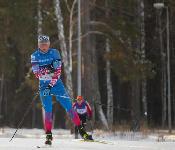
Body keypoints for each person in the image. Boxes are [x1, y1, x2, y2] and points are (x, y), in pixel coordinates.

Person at [31, 35, 93, 145]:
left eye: (45, 44)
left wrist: (50, 83)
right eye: (41, 44)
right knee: (48, 110)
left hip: (56, 84)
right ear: (38, 45)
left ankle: (82, 132)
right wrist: (50, 68)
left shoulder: (55, 53)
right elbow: (37, 73)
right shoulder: (35, 56)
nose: (44, 46)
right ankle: (49, 135)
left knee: (69, 106)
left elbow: (58, 72)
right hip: (43, 85)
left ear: (49, 44)